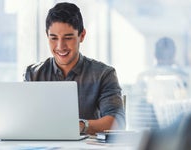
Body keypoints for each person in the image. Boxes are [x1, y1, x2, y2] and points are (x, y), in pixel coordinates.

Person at [23, 2, 125, 135]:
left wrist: (80, 126)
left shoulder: (103, 74)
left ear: (82, 36)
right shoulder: (33, 74)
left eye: (68, 37)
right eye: (53, 38)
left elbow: (118, 122)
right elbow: (25, 121)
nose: (60, 46)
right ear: (47, 36)